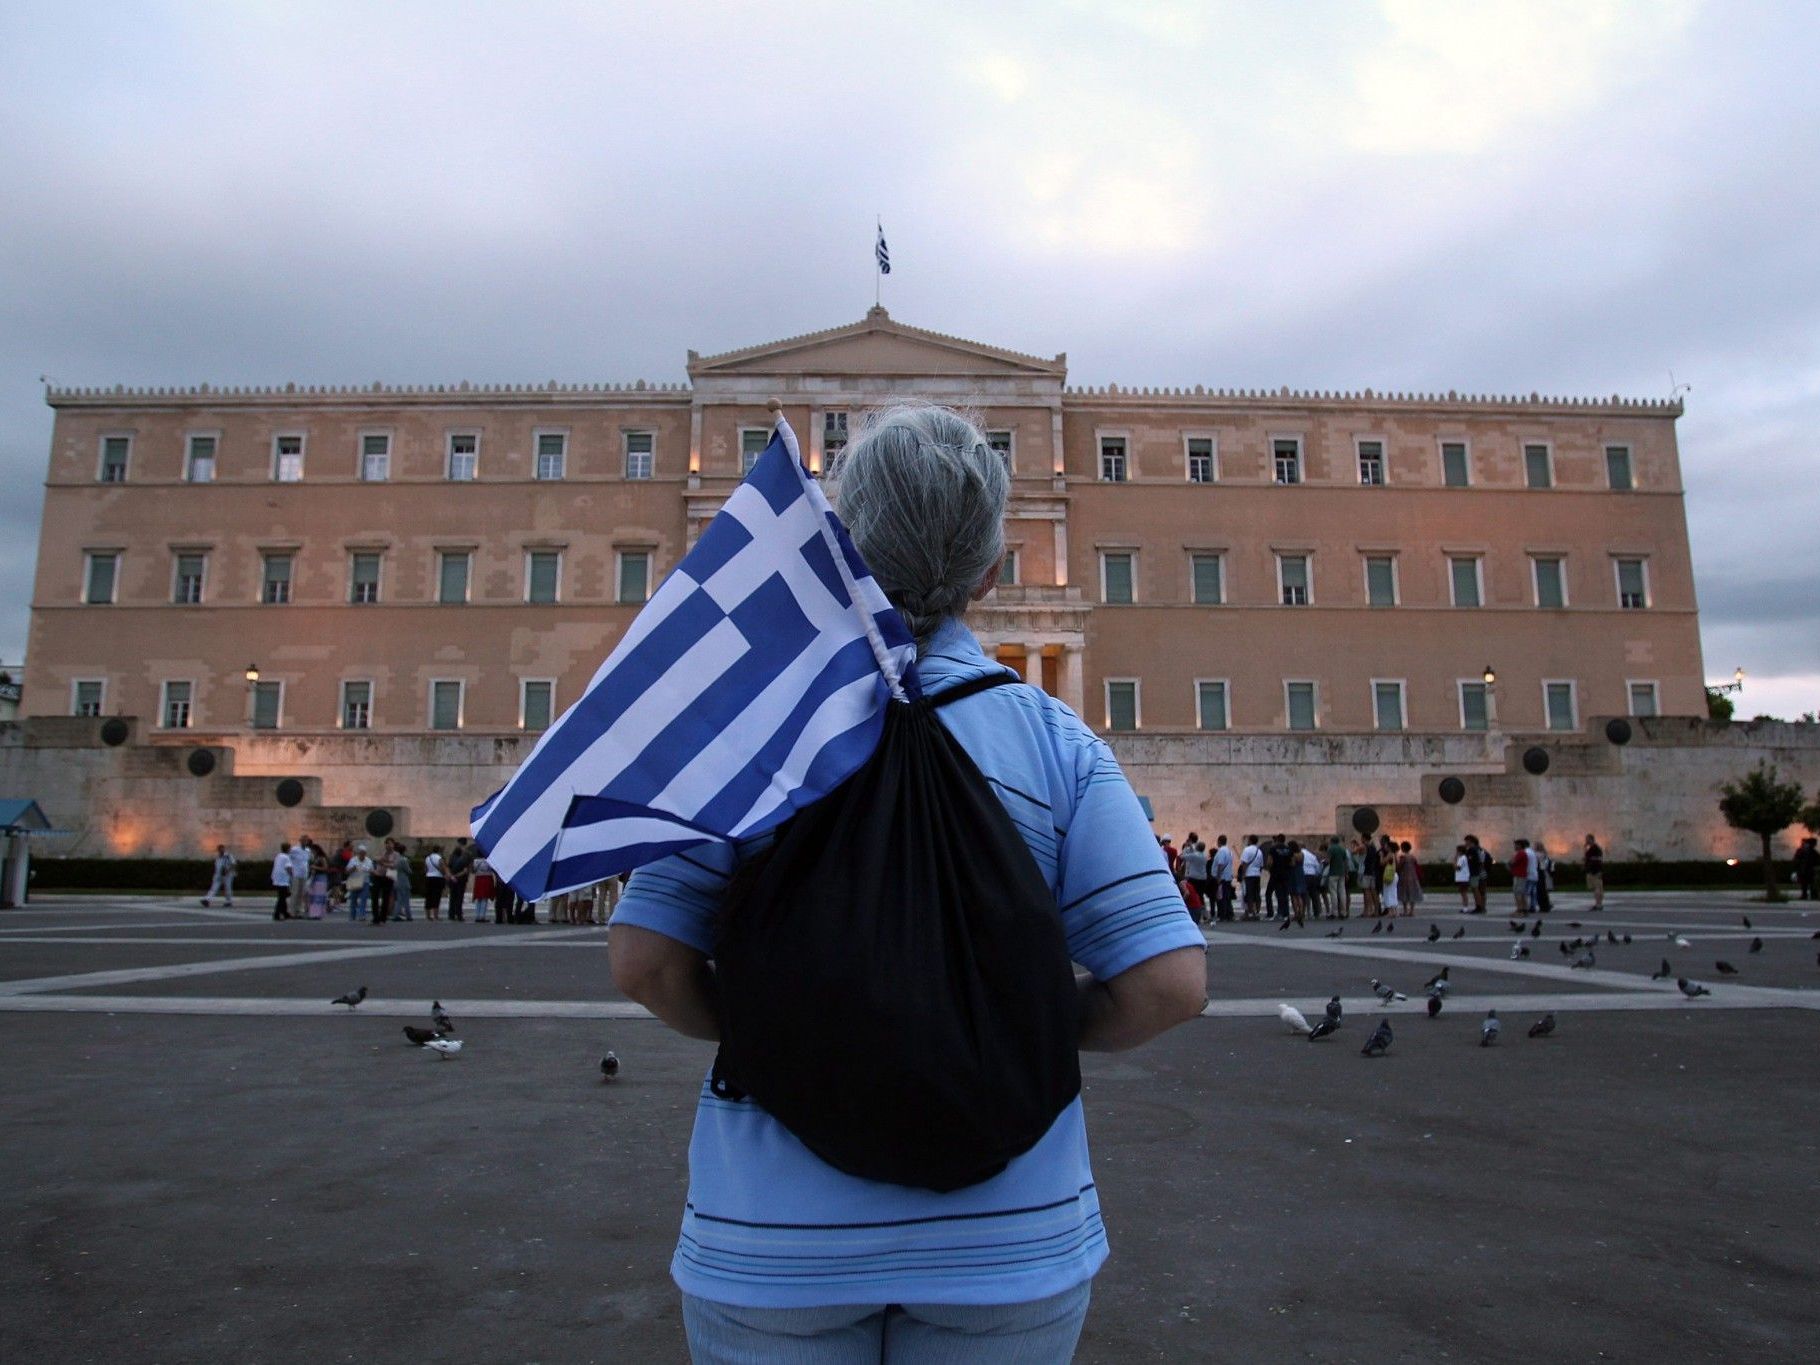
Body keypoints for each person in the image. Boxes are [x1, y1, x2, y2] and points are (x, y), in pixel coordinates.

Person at [609, 403, 1207, 1361]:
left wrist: (795, 1031)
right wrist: (1017, 1023)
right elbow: (1170, 985)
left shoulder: (750, 723)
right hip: (1011, 1234)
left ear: (837, 541)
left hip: (771, 1237)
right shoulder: (1058, 743)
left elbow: (646, 963)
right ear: (993, 571)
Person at [1178, 835, 1210, 927]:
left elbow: (1182, 857)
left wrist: (1188, 847)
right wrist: (1192, 847)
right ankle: (1205, 915)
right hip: (1203, 878)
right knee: (1200, 896)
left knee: (1193, 895)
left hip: (1194, 878)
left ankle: (1194, 914)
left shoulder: (1193, 856)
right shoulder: (1205, 856)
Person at [1265, 833, 1293, 921]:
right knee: (1285, 894)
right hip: (1286, 874)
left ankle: (1273, 913)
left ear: (1277, 839)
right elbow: (1292, 863)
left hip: (1275, 874)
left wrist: (1269, 868)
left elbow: (1269, 862)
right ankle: (1286, 913)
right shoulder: (1289, 849)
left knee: (1270, 893)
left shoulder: (1273, 849)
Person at [446, 837, 473, 922]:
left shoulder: (453, 854)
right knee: (459, 897)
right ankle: (459, 914)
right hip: (462, 878)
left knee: (453, 897)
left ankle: (451, 914)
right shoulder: (468, 854)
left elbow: (449, 866)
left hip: (453, 878)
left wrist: (451, 876)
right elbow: (468, 868)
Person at [1210, 835, 1236, 923]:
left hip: (1222, 877)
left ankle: (1223, 915)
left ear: (1219, 841)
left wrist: (1218, 877)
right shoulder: (1229, 851)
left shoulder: (1221, 851)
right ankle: (1229, 914)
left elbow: (1220, 864)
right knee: (1227, 896)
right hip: (1227, 876)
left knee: (1221, 897)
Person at [346, 843, 373, 922]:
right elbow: (347, 871)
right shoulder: (353, 860)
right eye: (361, 853)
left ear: (365, 853)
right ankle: (352, 915)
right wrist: (353, 869)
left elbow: (371, 870)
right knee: (353, 899)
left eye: (364, 853)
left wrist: (370, 871)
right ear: (358, 853)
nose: (362, 854)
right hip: (355, 881)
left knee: (363, 899)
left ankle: (362, 915)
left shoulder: (368, 861)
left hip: (365, 881)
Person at [370, 840, 395, 925]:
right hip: (378, 875)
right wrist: (383, 861)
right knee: (375, 896)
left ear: (393, 845)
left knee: (386, 898)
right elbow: (376, 859)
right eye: (387, 844)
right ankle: (375, 918)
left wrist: (384, 863)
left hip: (388, 877)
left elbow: (394, 865)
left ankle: (383, 918)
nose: (388, 845)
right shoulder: (382, 852)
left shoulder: (395, 854)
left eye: (390, 844)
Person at [1327, 833, 1352, 919]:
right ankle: (1343, 912)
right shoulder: (1342, 849)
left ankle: (1335, 912)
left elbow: (1328, 860)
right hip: (1342, 873)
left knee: (1333, 892)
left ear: (1332, 841)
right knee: (1342, 892)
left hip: (1333, 872)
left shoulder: (1331, 849)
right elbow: (1346, 862)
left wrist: (1324, 862)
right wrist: (1347, 873)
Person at [1239, 835, 1264, 919]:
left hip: (1249, 875)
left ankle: (1250, 912)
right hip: (1257, 875)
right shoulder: (1259, 851)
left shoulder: (1247, 850)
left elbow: (1244, 863)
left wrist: (1243, 874)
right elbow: (1261, 866)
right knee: (1257, 893)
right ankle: (1257, 912)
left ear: (1250, 840)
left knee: (1249, 893)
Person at [1465, 834, 1489, 914]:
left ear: (1471, 841)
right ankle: (1483, 907)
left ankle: (1478, 907)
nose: (1465, 843)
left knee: (1475, 889)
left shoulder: (1471, 850)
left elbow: (1470, 861)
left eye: (1466, 841)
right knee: (1482, 890)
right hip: (1483, 872)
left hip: (1475, 872)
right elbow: (1489, 859)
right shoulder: (1482, 849)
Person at [1396, 840, 1422, 916]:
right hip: (1413, 876)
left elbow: (1399, 867)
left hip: (1404, 876)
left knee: (1404, 893)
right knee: (1412, 893)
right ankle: (1412, 911)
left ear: (1403, 848)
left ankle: (1405, 911)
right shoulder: (1413, 857)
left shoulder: (1403, 857)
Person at [392, 843, 415, 922]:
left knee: (399, 899)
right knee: (406, 899)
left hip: (396, 880)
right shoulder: (404, 860)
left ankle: (396, 914)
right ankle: (408, 915)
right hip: (404, 881)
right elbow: (408, 871)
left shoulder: (395, 859)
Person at [1361, 836, 1383, 917]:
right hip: (1373, 872)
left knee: (1367, 891)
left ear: (1364, 838)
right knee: (1374, 892)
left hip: (1367, 871)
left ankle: (1369, 910)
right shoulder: (1374, 848)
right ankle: (1376, 911)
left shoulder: (1368, 847)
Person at [270, 841, 292, 921]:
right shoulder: (286, 857)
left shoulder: (278, 856)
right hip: (283, 880)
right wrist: (292, 875)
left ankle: (285, 912)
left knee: (282, 896)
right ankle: (277, 913)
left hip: (277, 878)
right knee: (282, 897)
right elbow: (288, 868)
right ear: (288, 849)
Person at [1583, 833, 1607, 910]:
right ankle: (1599, 904)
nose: (1586, 841)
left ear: (1591, 839)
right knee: (1599, 887)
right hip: (1598, 869)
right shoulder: (1597, 848)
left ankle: (1598, 904)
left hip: (1594, 870)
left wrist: (1585, 848)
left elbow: (1587, 857)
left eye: (1587, 839)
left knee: (1596, 887)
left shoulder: (1593, 848)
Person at [423, 845, 446, 921]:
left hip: (429, 877)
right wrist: (444, 874)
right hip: (438, 878)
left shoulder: (427, 858)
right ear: (439, 850)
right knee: (436, 896)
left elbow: (425, 869)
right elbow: (442, 867)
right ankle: (435, 915)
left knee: (428, 896)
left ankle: (428, 915)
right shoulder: (439, 858)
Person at [1510, 839, 1532, 914]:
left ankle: (1520, 909)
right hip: (1521, 875)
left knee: (1517, 892)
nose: (1515, 846)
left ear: (1520, 845)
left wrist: (1512, 858)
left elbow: (1512, 862)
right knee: (1522, 892)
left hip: (1519, 875)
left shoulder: (1520, 853)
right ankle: (1524, 909)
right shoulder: (1523, 853)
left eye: (1516, 845)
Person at [1533, 841, 1554, 914]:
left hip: (1539, 872)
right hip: (1543, 872)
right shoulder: (1544, 854)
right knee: (1543, 891)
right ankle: (1546, 905)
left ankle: (1543, 906)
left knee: (1540, 891)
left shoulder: (1537, 854)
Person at [1795, 836, 1818, 901]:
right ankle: (1808, 895)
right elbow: (1797, 859)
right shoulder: (1803, 851)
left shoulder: (1810, 851)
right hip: (1806, 870)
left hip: (1807, 870)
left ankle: (1809, 895)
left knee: (1809, 884)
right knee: (1806, 884)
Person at [1454, 843, 1472, 910]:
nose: (1456, 852)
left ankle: (1465, 908)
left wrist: (1454, 860)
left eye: (1457, 851)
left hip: (1463, 878)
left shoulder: (1462, 858)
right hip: (1463, 878)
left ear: (1460, 851)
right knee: (1463, 893)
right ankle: (1465, 907)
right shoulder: (1464, 858)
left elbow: (1457, 868)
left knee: (1464, 893)